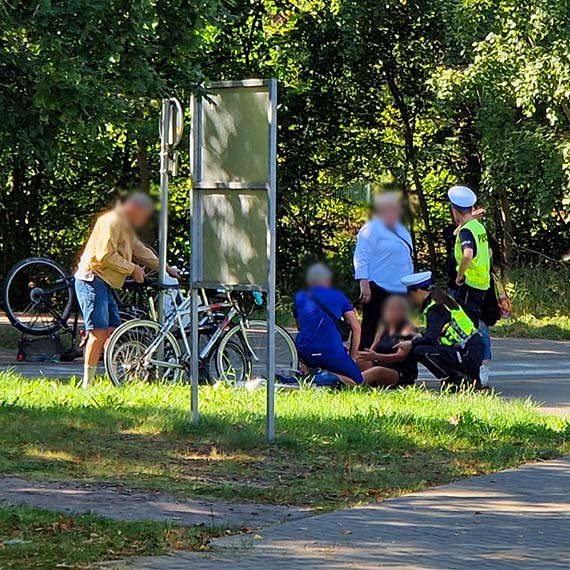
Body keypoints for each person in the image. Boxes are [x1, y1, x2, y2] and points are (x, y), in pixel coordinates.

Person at [75, 193, 180, 389]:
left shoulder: (125, 225)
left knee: (112, 330)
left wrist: (166, 268)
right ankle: (87, 384)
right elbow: (104, 255)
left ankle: (112, 376)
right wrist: (133, 269)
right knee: (98, 332)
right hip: (92, 278)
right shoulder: (111, 222)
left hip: (106, 281)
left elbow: (139, 250)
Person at [397, 271, 484, 390]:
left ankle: (456, 378)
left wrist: (410, 343)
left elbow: (431, 339)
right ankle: (471, 378)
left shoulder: (435, 308)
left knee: (420, 350)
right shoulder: (442, 300)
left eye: (410, 295)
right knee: (422, 345)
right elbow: (437, 332)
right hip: (471, 350)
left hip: (467, 353)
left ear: (418, 291)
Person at [353, 192, 413, 350]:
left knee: (396, 329)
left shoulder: (401, 229)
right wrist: (364, 282)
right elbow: (361, 256)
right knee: (371, 327)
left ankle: (392, 365)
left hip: (400, 288)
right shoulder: (371, 229)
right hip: (378, 286)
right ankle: (363, 364)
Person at [293, 263, 362, 386]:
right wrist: (352, 357)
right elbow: (356, 328)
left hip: (304, 353)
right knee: (357, 381)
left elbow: (301, 328)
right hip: (331, 353)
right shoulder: (338, 296)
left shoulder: (300, 297)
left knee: (311, 364)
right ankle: (325, 377)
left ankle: (310, 375)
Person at [448, 185, 491, 325]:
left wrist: (459, 275)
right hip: (482, 282)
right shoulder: (478, 226)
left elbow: (468, 255)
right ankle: (476, 346)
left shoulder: (466, 231)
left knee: (466, 324)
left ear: (455, 210)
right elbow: (489, 252)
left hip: (469, 284)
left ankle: (473, 347)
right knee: (473, 320)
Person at [357, 295, 418, 388]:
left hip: (400, 371)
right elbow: (373, 347)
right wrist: (365, 356)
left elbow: (400, 356)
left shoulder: (408, 330)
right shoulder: (384, 327)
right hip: (381, 363)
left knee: (377, 371)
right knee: (357, 360)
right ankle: (336, 378)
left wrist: (377, 356)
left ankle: (348, 385)